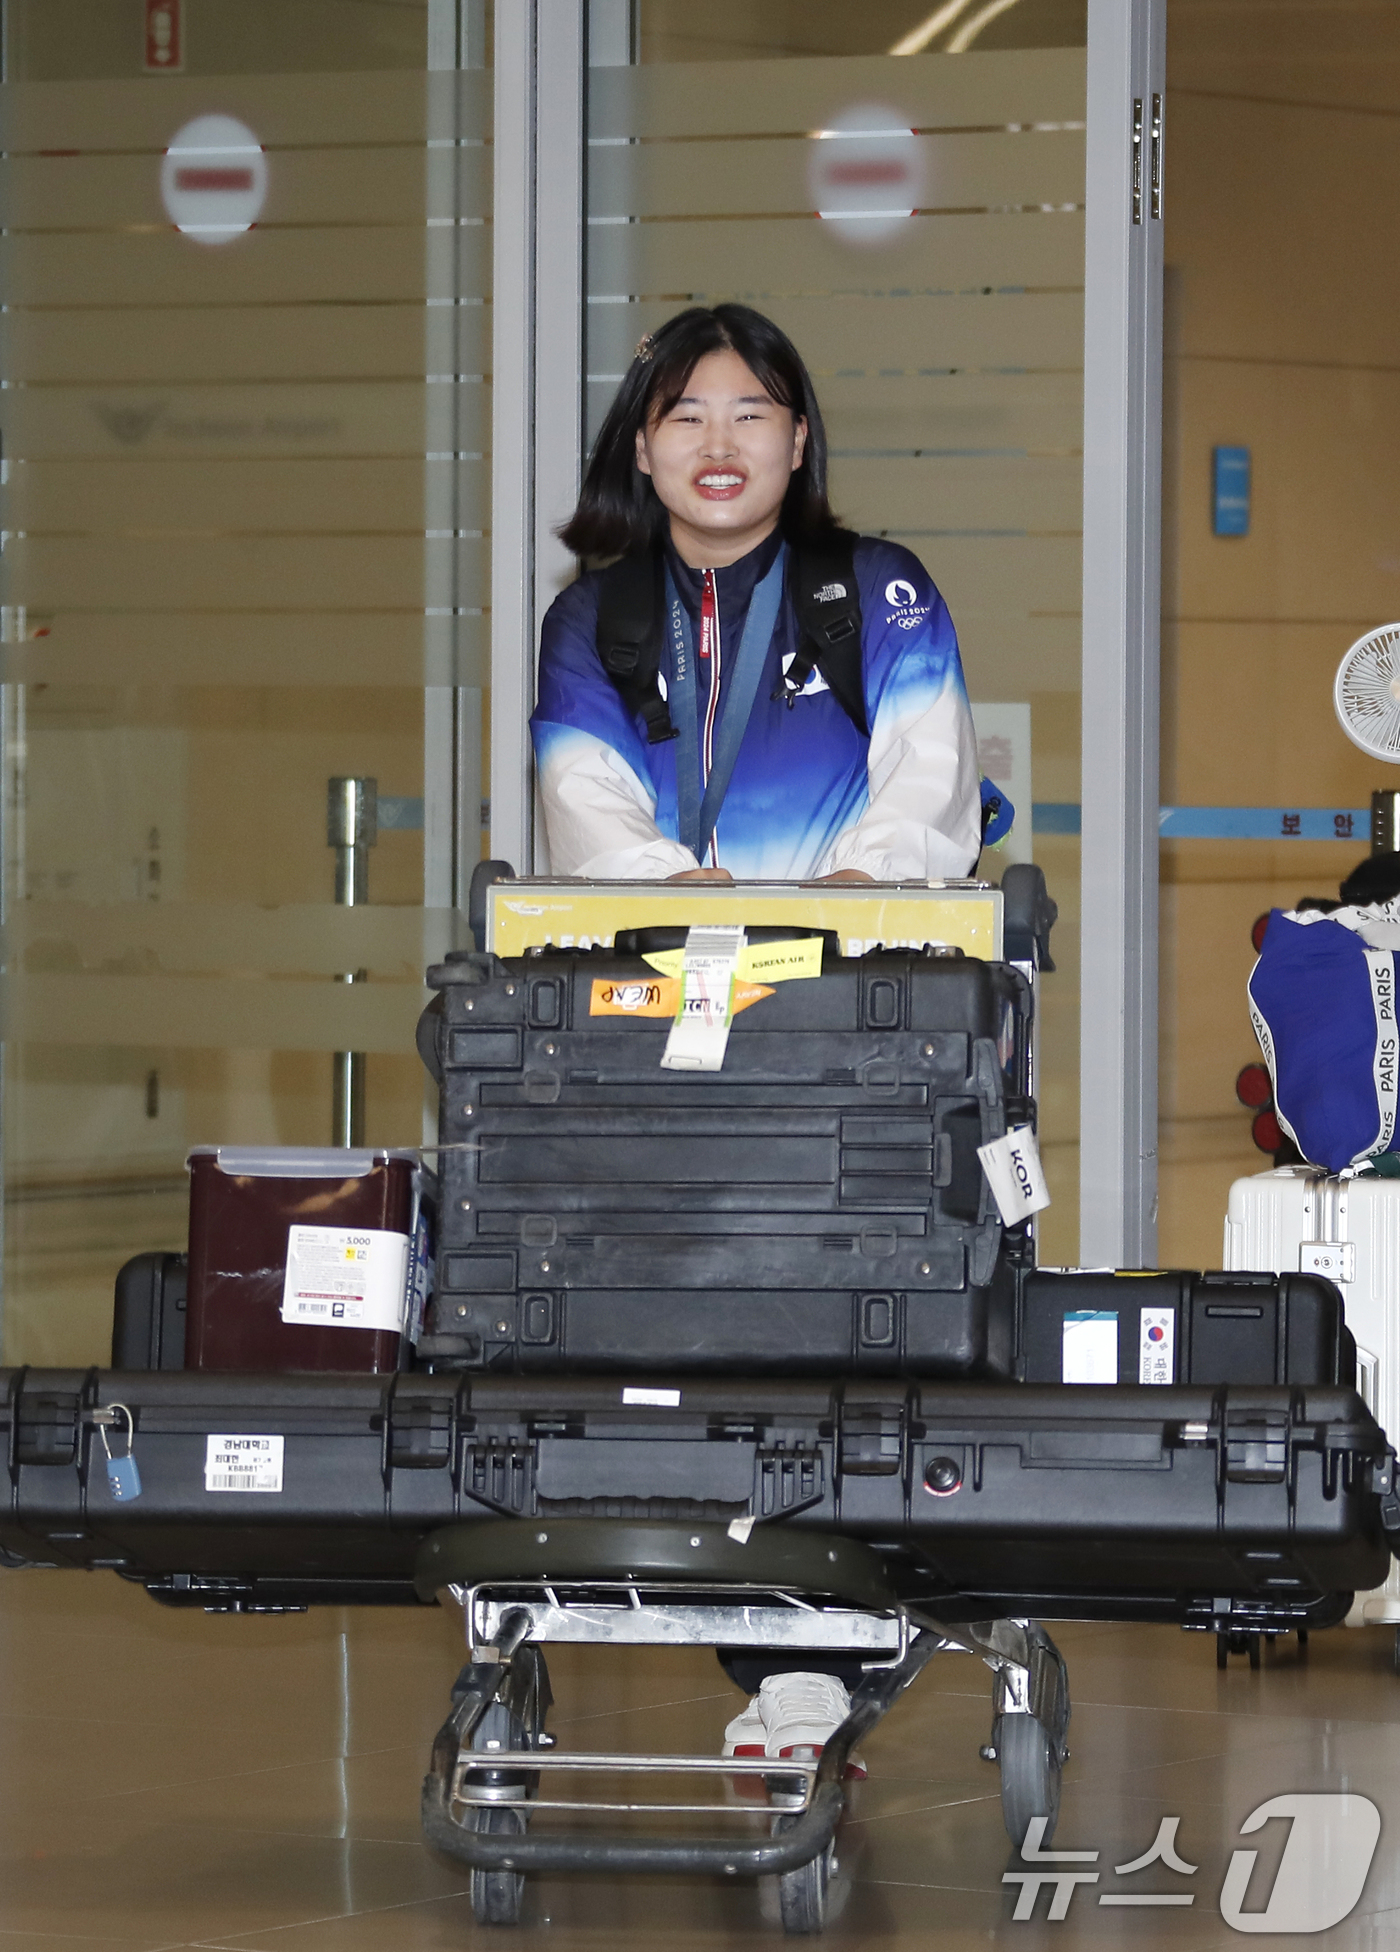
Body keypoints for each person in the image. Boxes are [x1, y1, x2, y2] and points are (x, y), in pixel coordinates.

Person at [529, 303, 983, 1778]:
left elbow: (929, 788)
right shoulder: (595, 617)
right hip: (661, 1028)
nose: (718, 445)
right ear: (641, 445)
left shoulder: (876, 593)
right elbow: (583, 804)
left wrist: (849, 888)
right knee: (678, 1330)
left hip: (855, 1030)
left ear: (797, 437)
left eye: (750, 413)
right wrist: (687, 890)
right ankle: (796, 1648)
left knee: (820, 1327)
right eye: (685, 415)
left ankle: (811, 1651)